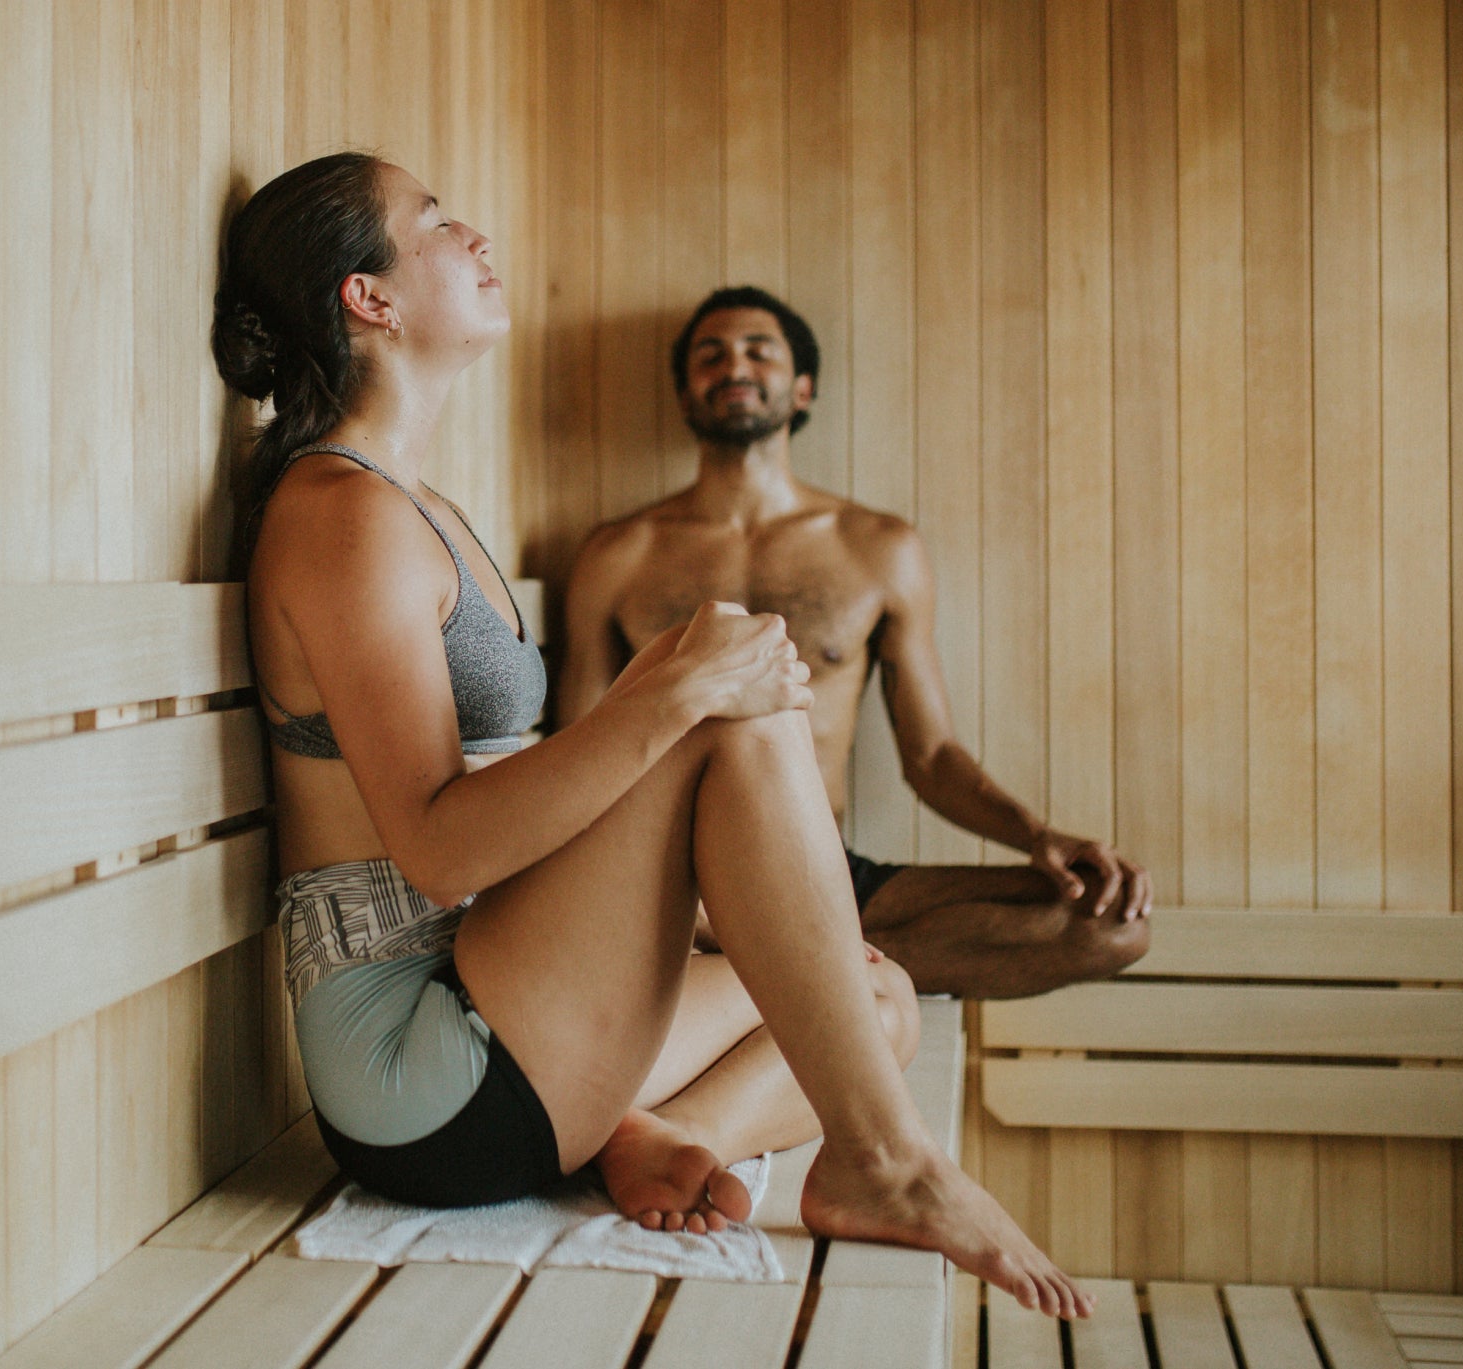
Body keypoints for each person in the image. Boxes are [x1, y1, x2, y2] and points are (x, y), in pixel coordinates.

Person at [212, 153, 1090, 1318]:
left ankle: (657, 1130)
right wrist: (665, 695)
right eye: (430, 221)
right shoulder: (339, 518)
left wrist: (678, 711)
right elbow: (436, 848)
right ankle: (889, 1162)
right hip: (420, 1079)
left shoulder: (417, 506)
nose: (473, 235)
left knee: (871, 1000)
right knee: (729, 706)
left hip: (495, 999)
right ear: (368, 298)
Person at [558, 287, 1152, 1001]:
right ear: (686, 395)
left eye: (758, 350)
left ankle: (770, 972)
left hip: (823, 869)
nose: (734, 366)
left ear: (801, 388)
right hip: (671, 879)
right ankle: (783, 964)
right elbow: (578, 750)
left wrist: (1037, 835)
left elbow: (931, 757)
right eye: (710, 355)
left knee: (1109, 921)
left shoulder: (877, 549)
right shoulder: (618, 555)